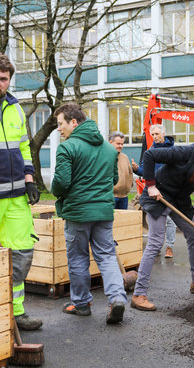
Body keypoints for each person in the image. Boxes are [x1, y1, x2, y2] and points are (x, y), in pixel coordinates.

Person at [131, 134, 194, 311]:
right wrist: (151, 185)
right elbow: (150, 155)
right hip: (157, 197)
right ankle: (139, 294)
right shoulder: (185, 153)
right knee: (155, 242)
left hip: (179, 201)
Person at [51, 102, 127, 324]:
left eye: (60, 123)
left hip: (77, 213)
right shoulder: (109, 149)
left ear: (73, 122)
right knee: (106, 256)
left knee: (78, 258)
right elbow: (113, 180)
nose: (59, 129)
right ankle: (117, 299)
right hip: (103, 212)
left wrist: (56, 191)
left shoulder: (68, 147)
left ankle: (82, 304)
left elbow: (62, 183)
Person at [0, 54, 42, 331]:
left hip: (15, 196)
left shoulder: (15, 108)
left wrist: (30, 178)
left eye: (3, 78)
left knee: (22, 253)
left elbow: (24, 147)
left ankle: (15, 312)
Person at [132, 124, 176, 258]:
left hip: (169, 189)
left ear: (163, 134)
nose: (155, 137)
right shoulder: (150, 151)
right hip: (153, 189)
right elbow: (144, 170)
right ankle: (156, 246)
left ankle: (169, 247)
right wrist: (135, 168)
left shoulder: (172, 150)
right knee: (154, 218)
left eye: (157, 134)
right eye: (153, 135)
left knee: (170, 220)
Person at [109, 131, 133, 210]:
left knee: (123, 222)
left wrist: (129, 186)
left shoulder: (125, 157)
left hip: (124, 197)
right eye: (118, 144)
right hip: (111, 197)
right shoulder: (106, 157)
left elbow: (130, 173)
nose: (120, 146)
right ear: (111, 142)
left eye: (122, 144)